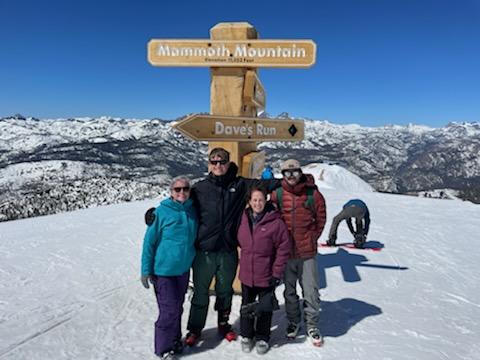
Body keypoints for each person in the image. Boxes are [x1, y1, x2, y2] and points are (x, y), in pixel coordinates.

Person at [145, 148, 281, 346]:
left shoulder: (240, 184)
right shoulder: (200, 188)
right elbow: (179, 203)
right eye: (214, 162)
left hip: (228, 250)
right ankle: (195, 329)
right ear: (209, 163)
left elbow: (265, 185)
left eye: (222, 161)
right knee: (200, 293)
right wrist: (153, 214)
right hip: (204, 252)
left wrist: (292, 180)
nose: (218, 165)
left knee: (225, 291)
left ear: (227, 163)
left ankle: (224, 324)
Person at [270, 159, 327, 347]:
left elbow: (321, 218)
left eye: (294, 172)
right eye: (287, 172)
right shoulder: (277, 193)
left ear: (300, 173)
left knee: (310, 290)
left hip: (306, 252)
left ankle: (312, 324)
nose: (291, 176)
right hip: (286, 253)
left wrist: (311, 237)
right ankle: (293, 321)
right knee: (289, 291)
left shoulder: (313, 194)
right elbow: (272, 219)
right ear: (283, 174)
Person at [140, 176, 198, 360]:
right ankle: (163, 349)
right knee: (169, 311)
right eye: (177, 189)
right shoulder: (161, 213)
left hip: (182, 270)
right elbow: (149, 242)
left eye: (185, 189)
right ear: (171, 192)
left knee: (177, 308)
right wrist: (145, 270)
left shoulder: (192, 211)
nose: (182, 192)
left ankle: (174, 340)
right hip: (163, 271)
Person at [237, 186, 291, 355]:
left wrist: (277, 272)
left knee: (264, 307)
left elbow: (284, 248)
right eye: (254, 200)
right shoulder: (243, 218)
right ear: (249, 202)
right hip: (247, 271)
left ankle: (262, 336)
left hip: (266, 273)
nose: (258, 203)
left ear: (266, 200)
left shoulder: (275, 222)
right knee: (246, 305)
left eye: (261, 200)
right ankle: (246, 335)